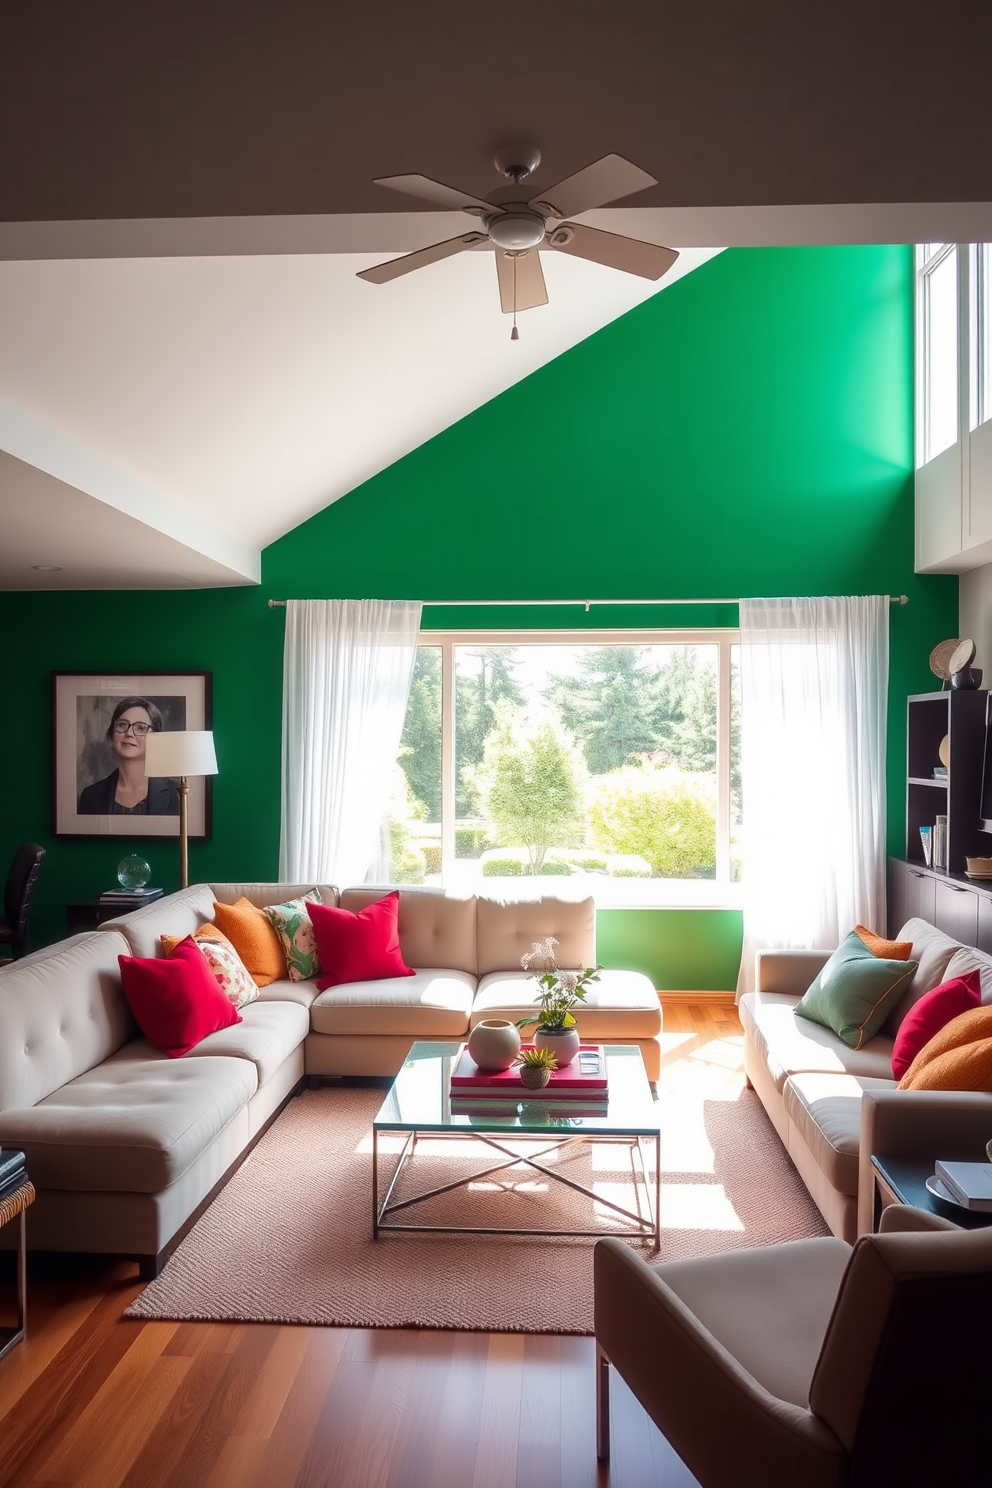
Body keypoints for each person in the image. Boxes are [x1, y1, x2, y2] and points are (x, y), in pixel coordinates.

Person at [77, 697, 180, 815]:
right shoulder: (90, 796)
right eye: (122, 725)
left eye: (141, 728)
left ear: (155, 739)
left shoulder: (177, 794)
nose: (129, 733)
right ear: (111, 737)